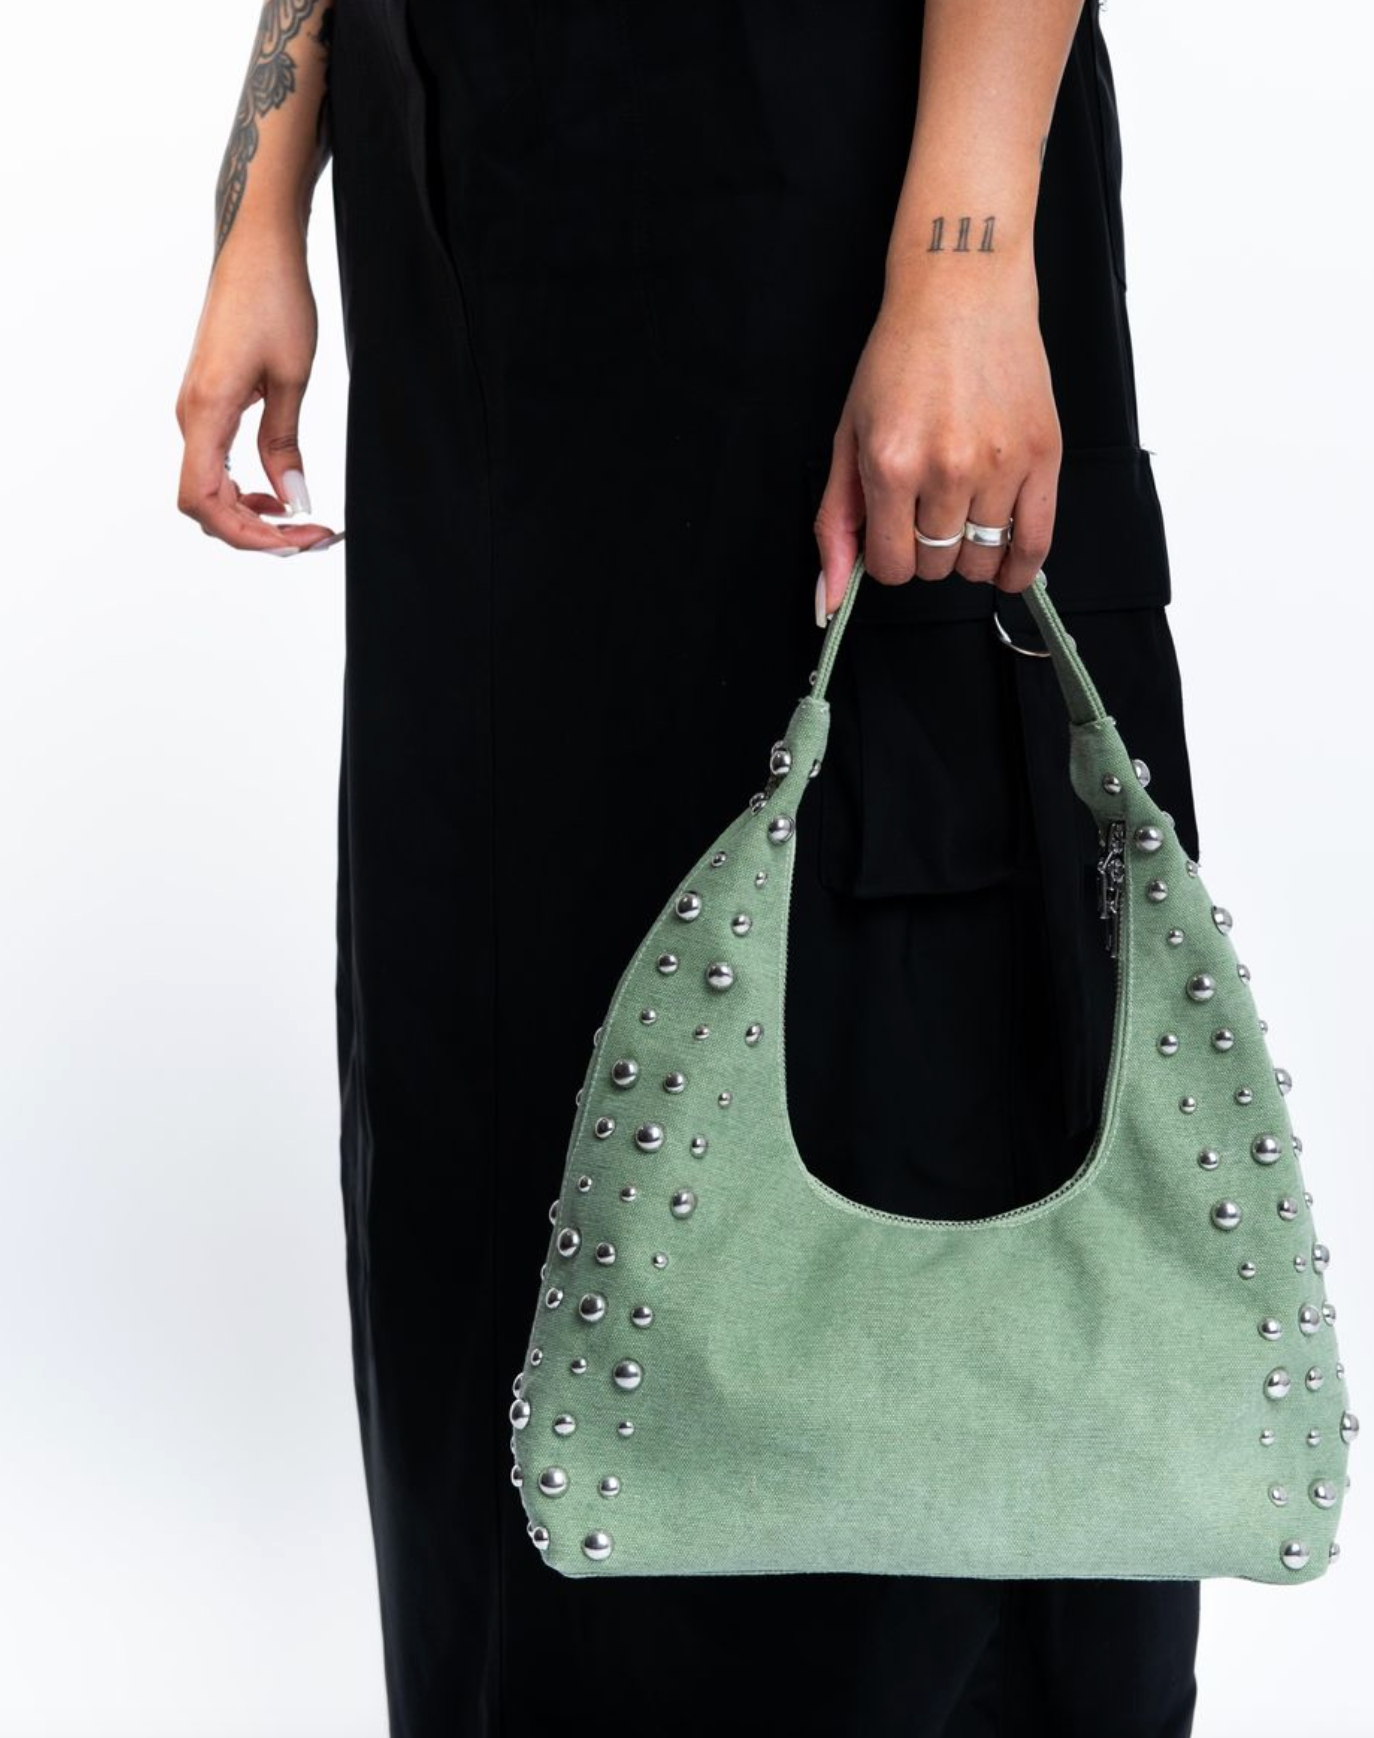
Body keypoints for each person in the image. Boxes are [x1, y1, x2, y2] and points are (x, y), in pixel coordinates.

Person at [175, 1, 1202, 1732]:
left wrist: (962, 258)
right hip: (470, 222)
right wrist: (266, 192)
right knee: (498, 1102)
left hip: (831, 178)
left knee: (900, 1047)